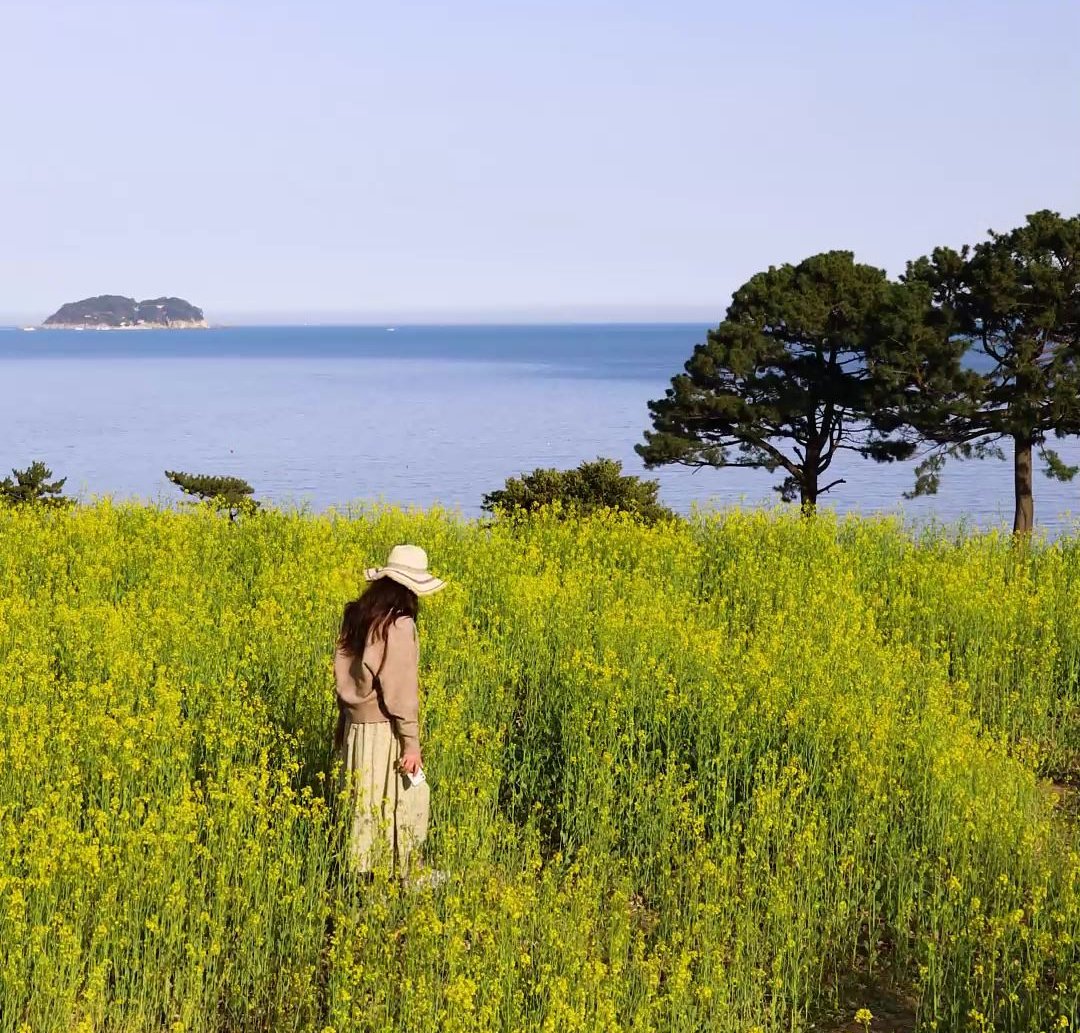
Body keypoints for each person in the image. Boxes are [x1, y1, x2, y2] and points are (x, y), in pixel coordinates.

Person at [333, 544, 445, 879]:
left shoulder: (357, 615)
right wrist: (411, 742)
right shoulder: (397, 625)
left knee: (363, 804)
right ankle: (399, 875)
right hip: (384, 729)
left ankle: (361, 875)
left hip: (356, 727)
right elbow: (400, 690)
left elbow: (346, 677)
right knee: (403, 798)